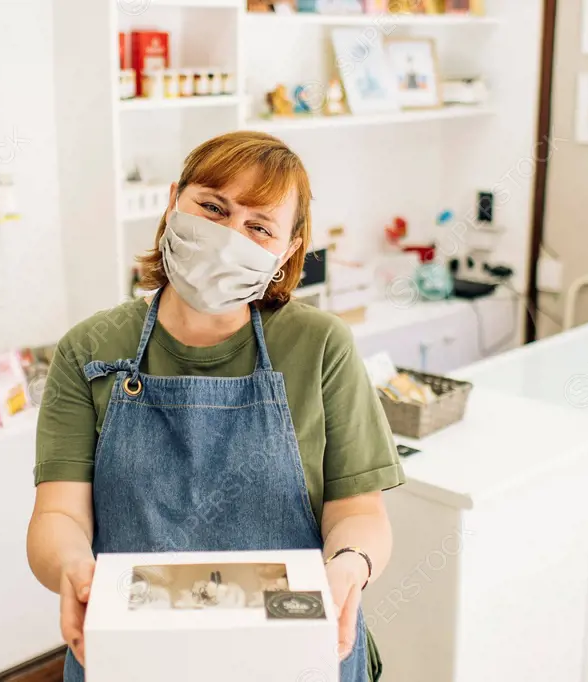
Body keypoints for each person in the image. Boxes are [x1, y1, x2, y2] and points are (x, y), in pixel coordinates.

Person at [27, 131, 405, 682]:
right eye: (212, 207)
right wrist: (73, 567)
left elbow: (359, 514)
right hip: (136, 651)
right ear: (174, 201)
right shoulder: (90, 349)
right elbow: (58, 514)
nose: (229, 236)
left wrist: (350, 565)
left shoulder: (320, 346)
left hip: (293, 649)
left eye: (259, 227)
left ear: (287, 249)